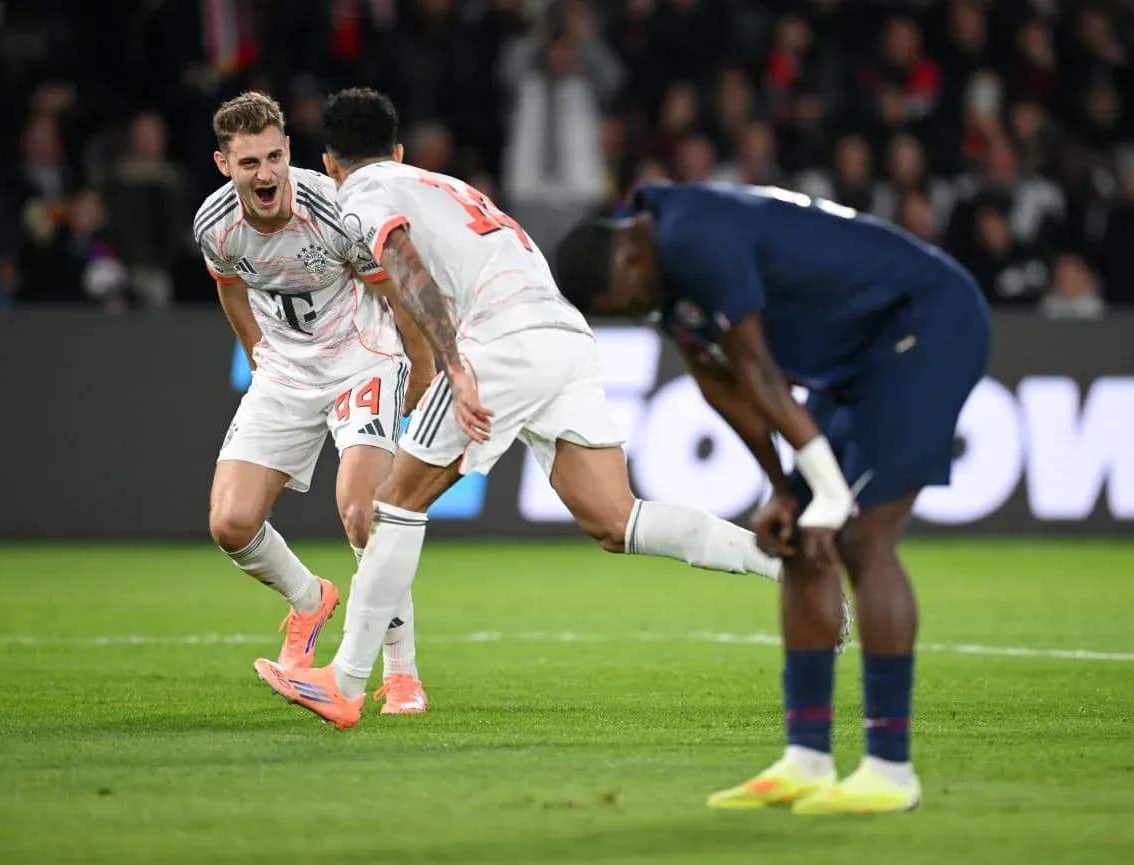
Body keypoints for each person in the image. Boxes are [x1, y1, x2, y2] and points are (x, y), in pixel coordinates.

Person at [251, 87, 836, 730]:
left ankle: (346, 681)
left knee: (393, 503)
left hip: (498, 343)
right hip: (563, 336)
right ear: (397, 149)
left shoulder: (361, 194)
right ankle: (792, 568)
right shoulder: (444, 186)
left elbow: (402, 260)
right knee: (617, 520)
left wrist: (451, 363)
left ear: (329, 164)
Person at [554, 182, 991, 814]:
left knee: (861, 539)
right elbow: (719, 381)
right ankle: (807, 759)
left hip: (927, 325)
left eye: (627, 304)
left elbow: (756, 367)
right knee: (798, 544)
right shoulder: (654, 262)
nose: (634, 312)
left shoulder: (691, 236)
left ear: (630, 259)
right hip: (857, 361)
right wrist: (783, 490)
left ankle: (890, 770)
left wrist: (830, 494)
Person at [194, 91, 435, 714]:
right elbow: (231, 288)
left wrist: (424, 366)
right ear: (225, 164)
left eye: (274, 157)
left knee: (362, 513)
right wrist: (256, 352)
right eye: (249, 163)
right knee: (230, 523)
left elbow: (398, 288)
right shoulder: (214, 224)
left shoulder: (333, 212)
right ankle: (309, 599)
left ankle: (402, 674)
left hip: (362, 357)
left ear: (288, 152)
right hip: (286, 373)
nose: (265, 174)